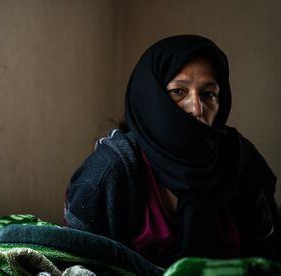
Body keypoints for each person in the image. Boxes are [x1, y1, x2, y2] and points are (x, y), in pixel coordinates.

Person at [63, 35, 281, 268]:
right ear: (150, 99)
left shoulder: (238, 161)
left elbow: (267, 257)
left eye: (209, 94)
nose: (197, 108)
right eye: (178, 91)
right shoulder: (108, 173)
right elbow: (76, 267)